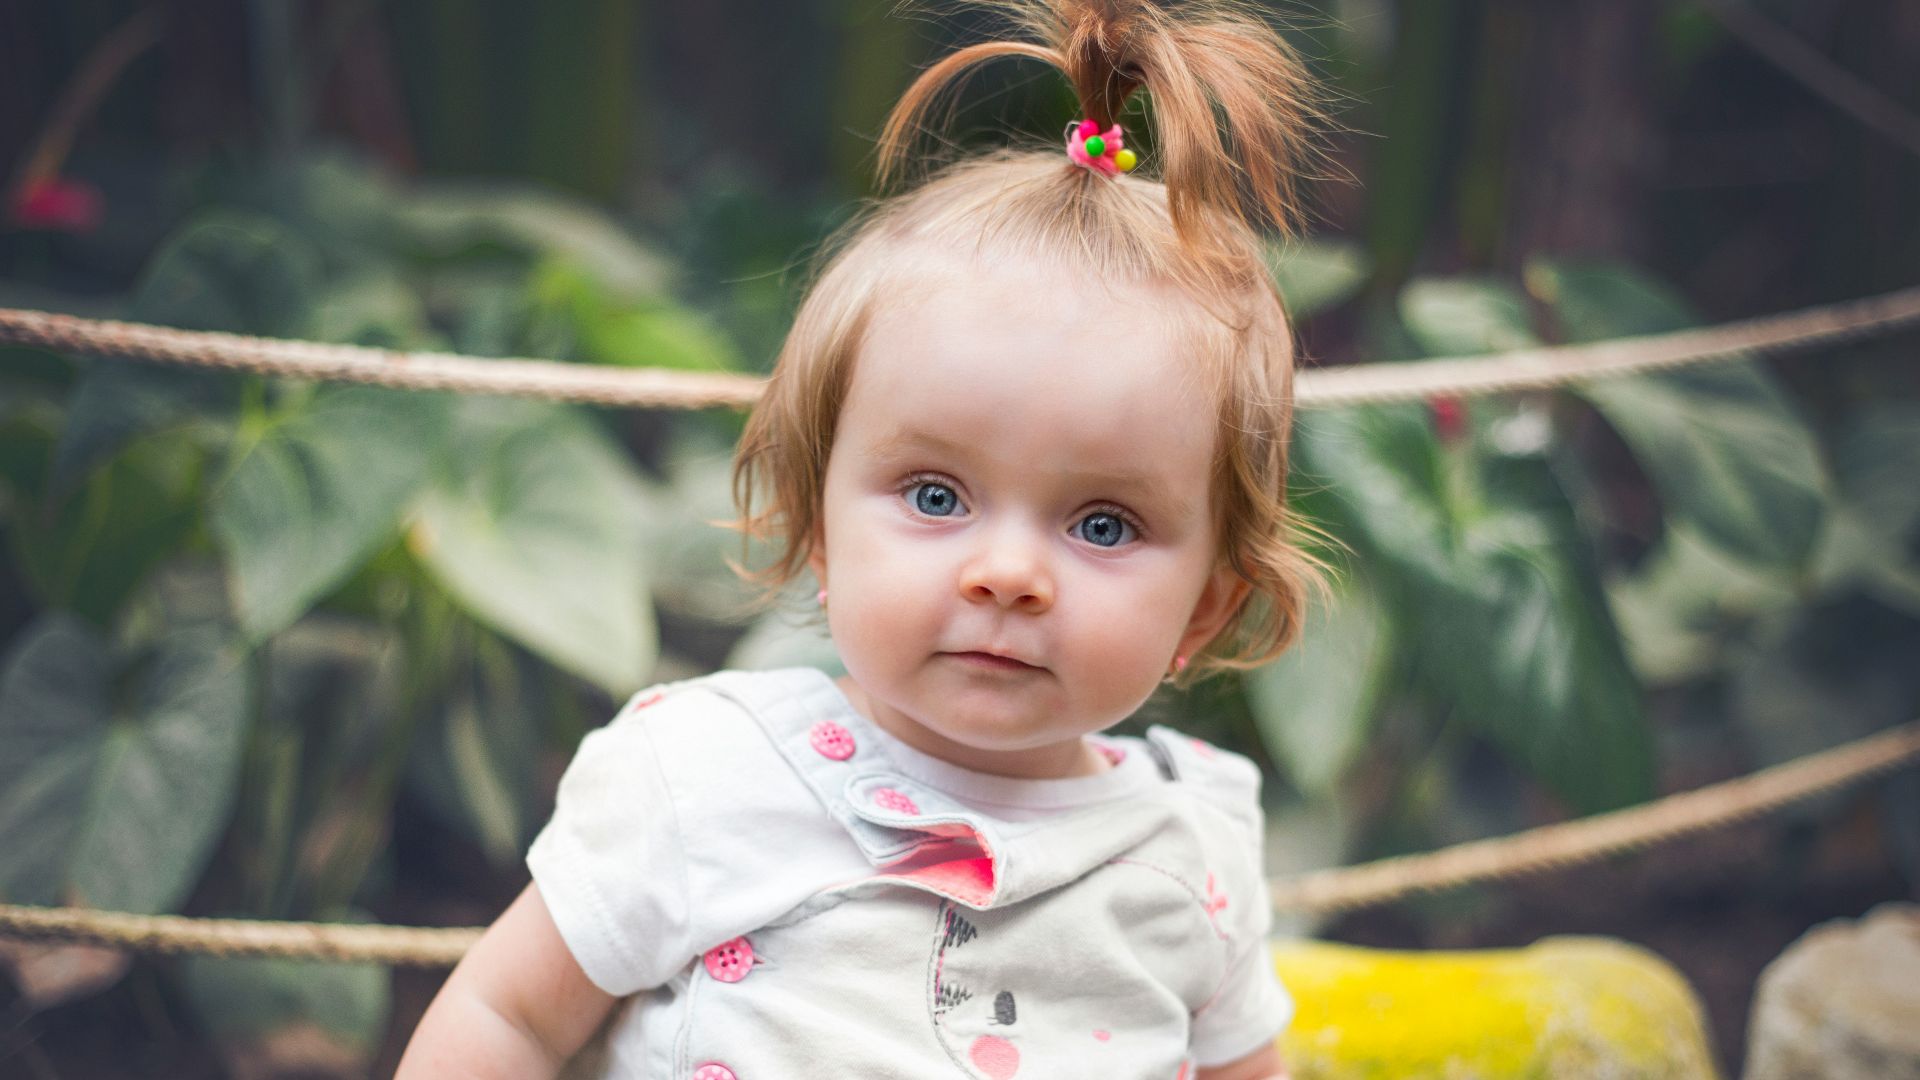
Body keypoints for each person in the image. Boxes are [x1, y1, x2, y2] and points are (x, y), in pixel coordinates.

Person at [398, 0, 1324, 1075]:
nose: (1009, 574)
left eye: (1103, 523)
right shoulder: (706, 778)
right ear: (819, 525)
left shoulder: (1187, 856)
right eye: (936, 496)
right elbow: (505, 1019)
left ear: (1209, 602)